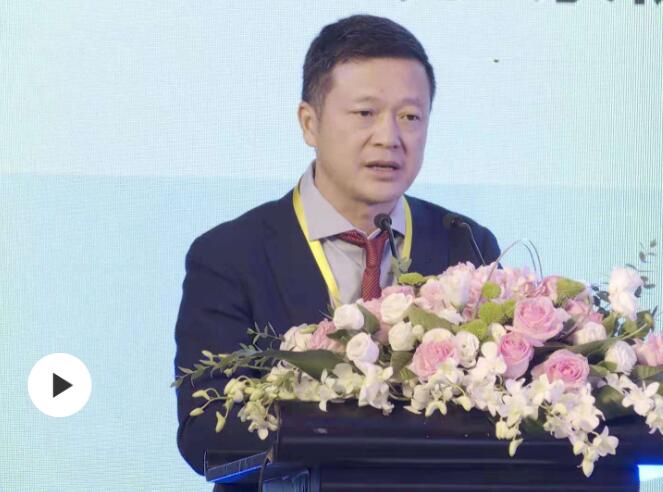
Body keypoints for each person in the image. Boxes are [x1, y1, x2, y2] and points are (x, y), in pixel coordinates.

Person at [174, 14, 500, 480]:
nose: (389, 137)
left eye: (410, 117)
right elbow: (206, 435)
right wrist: (352, 425)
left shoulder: (464, 243)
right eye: (365, 113)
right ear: (309, 123)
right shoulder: (230, 256)